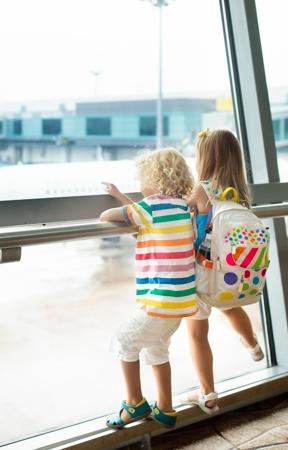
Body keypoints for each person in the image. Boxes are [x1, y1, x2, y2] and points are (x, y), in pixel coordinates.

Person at [99, 148, 196, 429]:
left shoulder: (150, 208)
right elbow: (147, 219)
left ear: (153, 177)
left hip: (158, 303)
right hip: (179, 304)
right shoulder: (181, 207)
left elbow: (108, 215)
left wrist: (117, 203)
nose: (139, 183)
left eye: (141, 177)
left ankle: (134, 404)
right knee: (157, 350)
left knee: (123, 342)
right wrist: (122, 196)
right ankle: (165, 408)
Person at [184, 128, 264, 415]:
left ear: (205, 157)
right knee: (230, 307)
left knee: (196, 334)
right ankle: (253, 344)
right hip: (232, 274)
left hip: (204, 273)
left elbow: (183, 213)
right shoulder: (240, 193)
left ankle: (207, 394)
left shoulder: (201, 189)